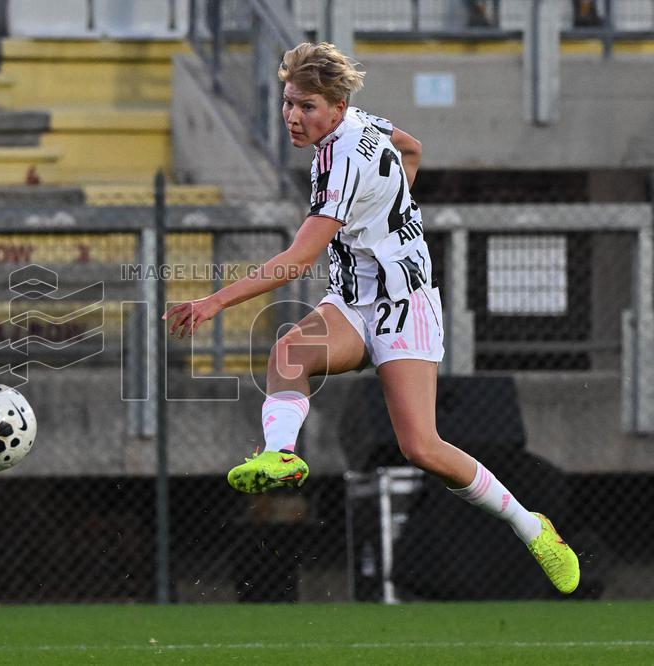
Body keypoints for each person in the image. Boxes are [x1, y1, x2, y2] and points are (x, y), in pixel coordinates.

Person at [163, 42, 579, 594]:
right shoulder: (361, 123)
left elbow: (298, 260)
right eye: (288, 102)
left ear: (336, 107)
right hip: (353, 301)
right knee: (290, 351)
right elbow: (411, 147)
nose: (292, 116)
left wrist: (215, 301)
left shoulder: (342, 162)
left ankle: (532, 527)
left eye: (306, 106)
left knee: (421, 448)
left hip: (405, 307)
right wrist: (393, 207)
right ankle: (280, 456)